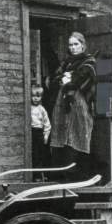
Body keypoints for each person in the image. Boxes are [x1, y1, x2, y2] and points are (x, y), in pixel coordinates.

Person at [48, 32, 96, 182]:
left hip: (79, 106)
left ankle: (77, 178)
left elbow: (82, 80)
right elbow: (52, 81)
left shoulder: (89, 62)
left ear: (82, 45)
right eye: (70, 45)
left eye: (76, 44)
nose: (73, 47)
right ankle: (62, 178)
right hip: (62, 105)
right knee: (61, 139)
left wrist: (70, 79)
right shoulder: (66, 63)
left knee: (77, 138)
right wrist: (64, 78)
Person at [30, 85, 52, 179]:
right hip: (31, 132)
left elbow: (47, 124)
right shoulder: (29, 108)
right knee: (32, 154)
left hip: (39, 133)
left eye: (38, 96)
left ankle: (39, 175)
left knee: (39, 155)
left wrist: (46, 136)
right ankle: (33, 175)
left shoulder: (41, 109)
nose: (35, 98)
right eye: (33, 95)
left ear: (41, 97)